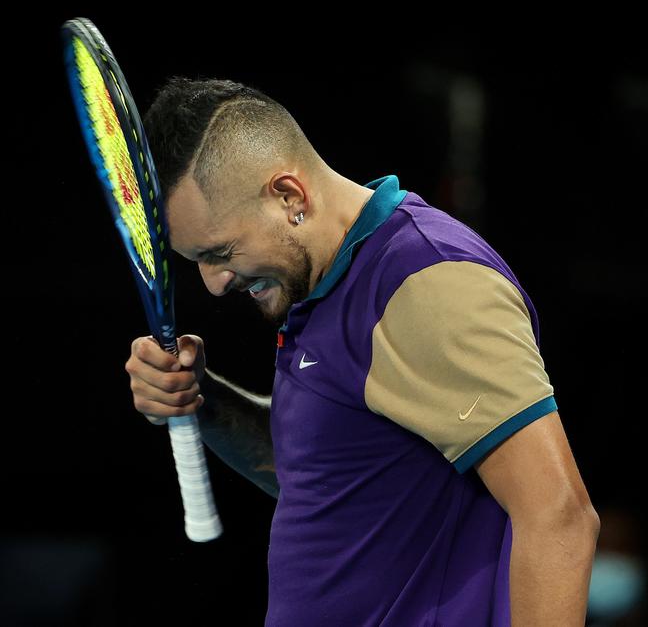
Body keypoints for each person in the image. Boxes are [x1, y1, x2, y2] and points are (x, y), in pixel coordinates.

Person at [124, 77, 600, 626]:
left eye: (222, 252)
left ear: (289, 197)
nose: (212, 283)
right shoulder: (327, 290)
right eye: (196, 261)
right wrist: (200, 401)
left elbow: (558, 518)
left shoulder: (425, 281)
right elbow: (327, 475)